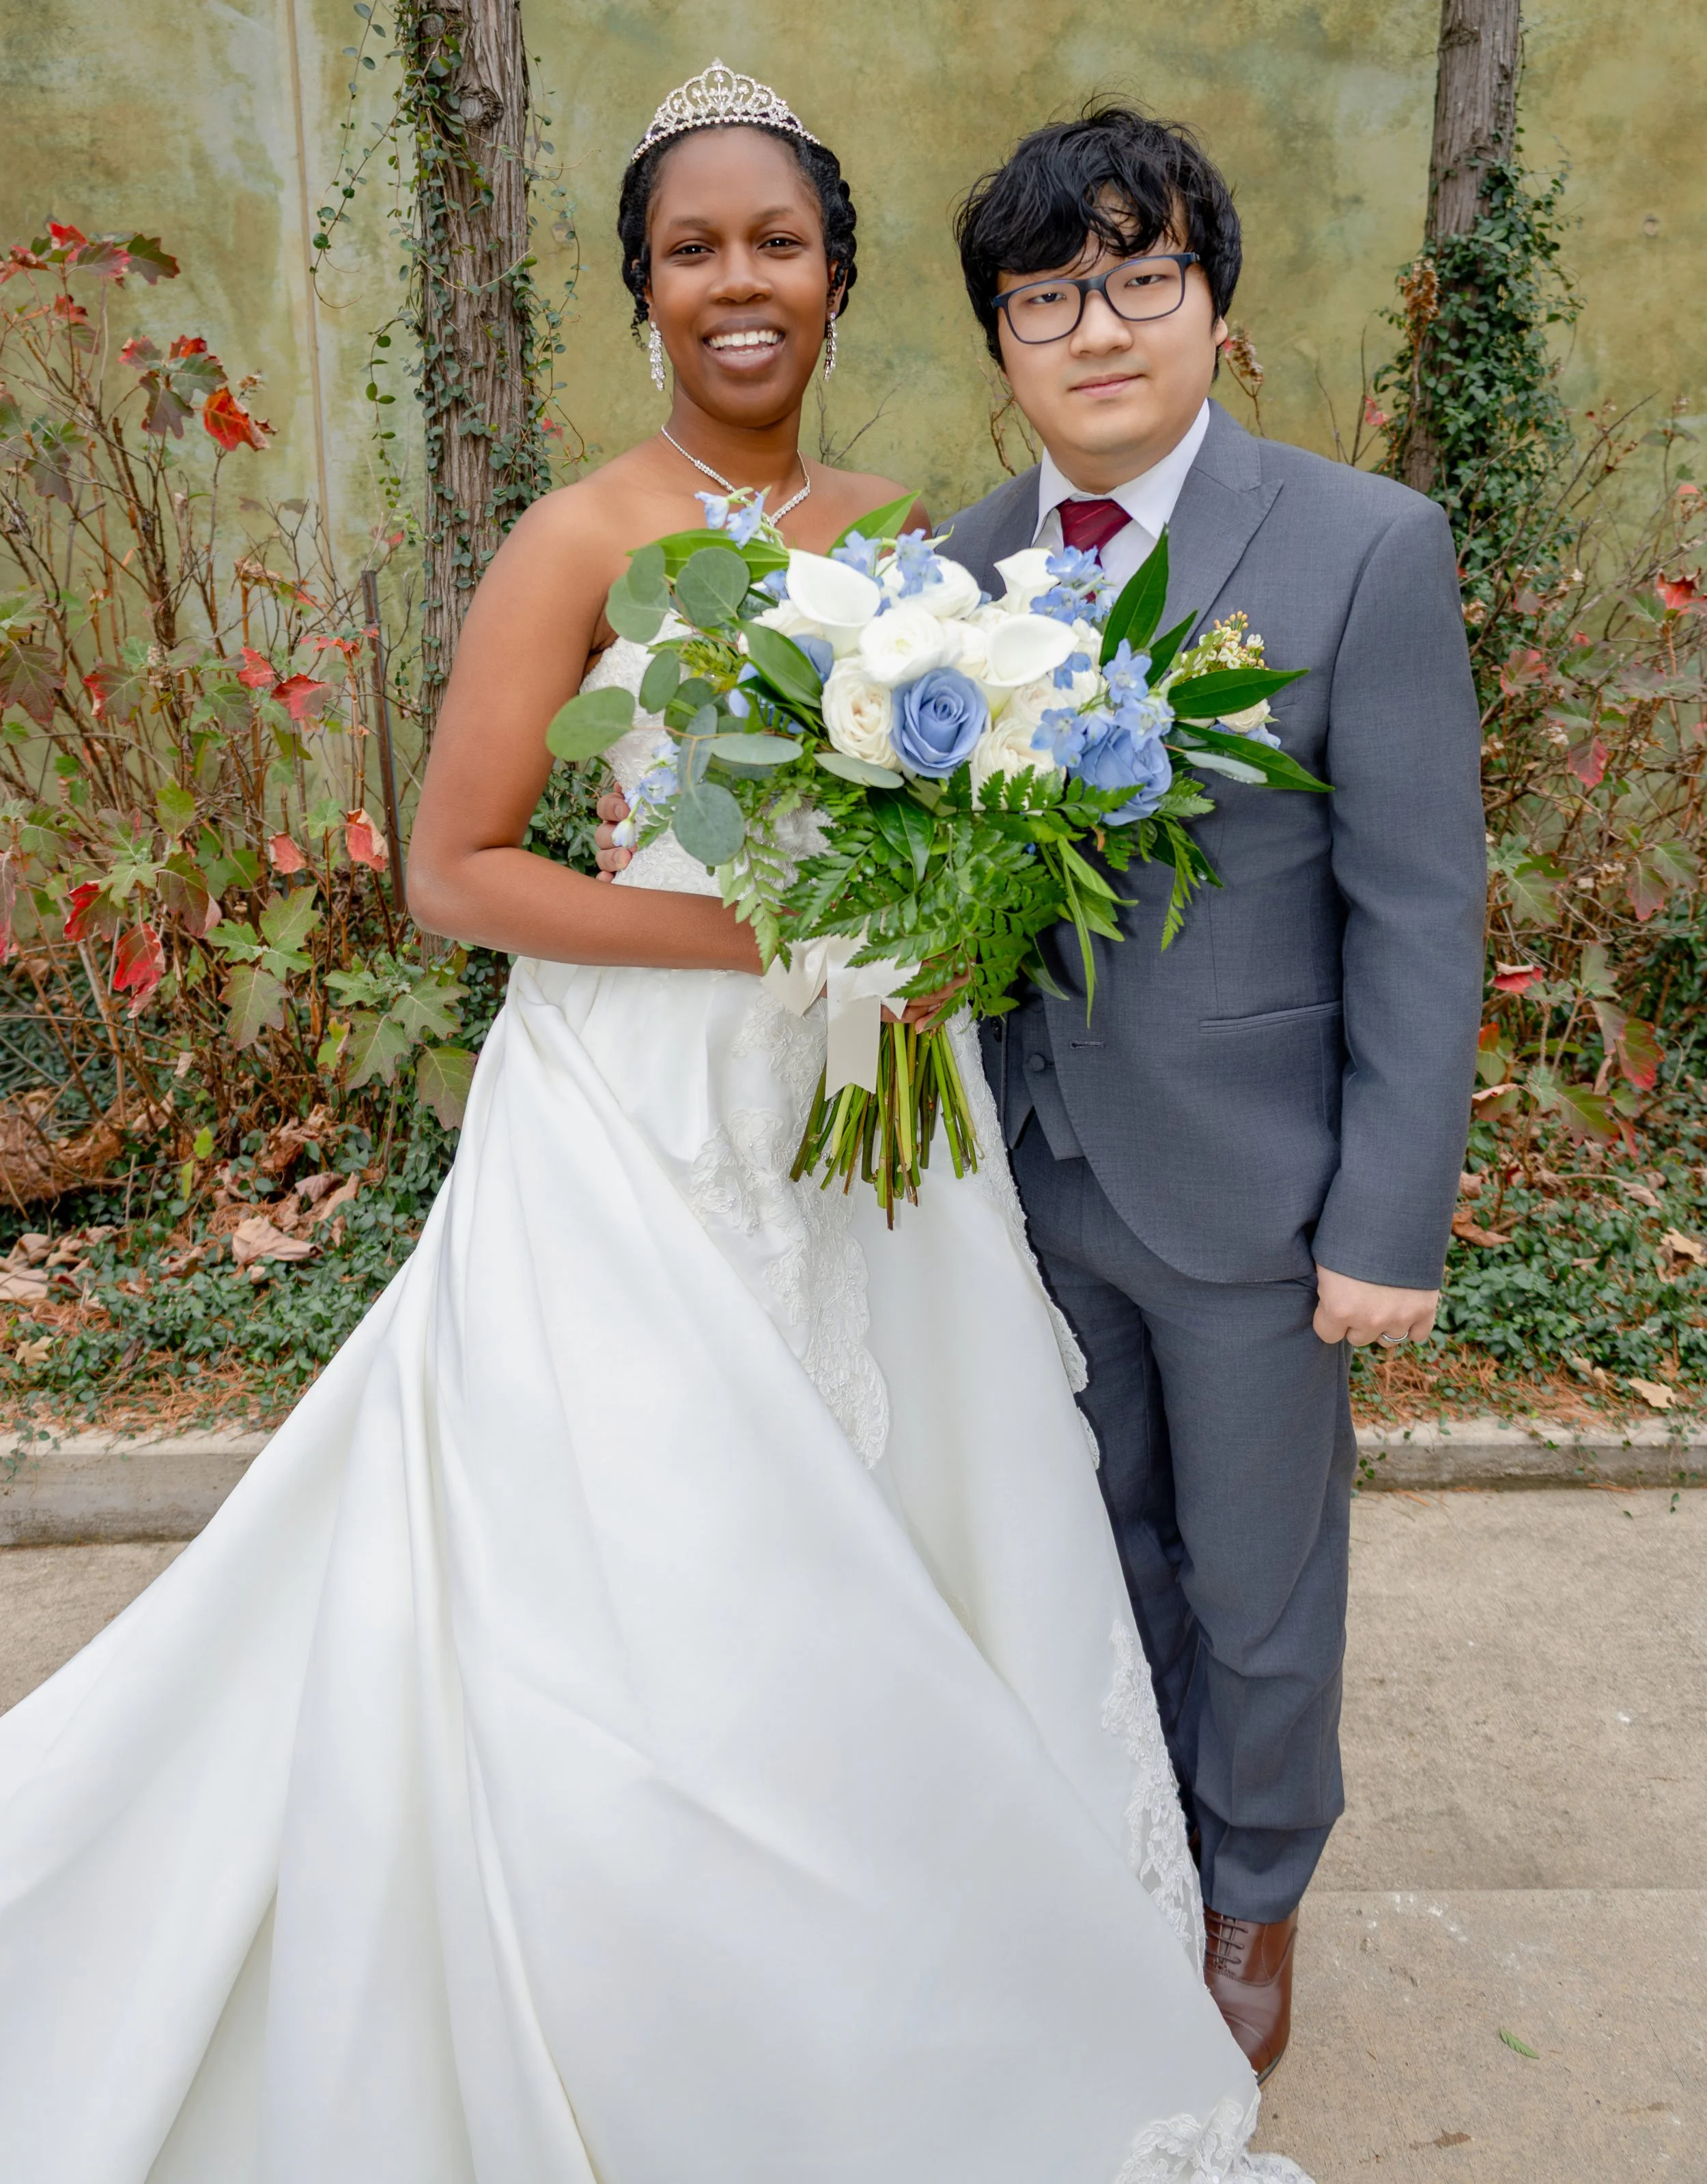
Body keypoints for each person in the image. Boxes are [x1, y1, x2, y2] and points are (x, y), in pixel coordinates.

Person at [0, 66, 1310, 2184]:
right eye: (692, 248)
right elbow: (454, 869)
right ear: (640, 292)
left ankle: (903, 1951)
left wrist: (937, 919)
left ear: (836, 278)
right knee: (664, 1550)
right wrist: (759, 936)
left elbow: (960, 815)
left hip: (870, 1115)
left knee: (905, 1508)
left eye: (773, 244)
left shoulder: (911, 534)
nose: (737, 282)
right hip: (627, 1122)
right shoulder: (582, 535)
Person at [602, 99, 1486, 2086]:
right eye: (1046, 295)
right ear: (1000, 341)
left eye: (1139, 277)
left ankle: (1255, 1889)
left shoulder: (1360, 549)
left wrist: (1385, 1223)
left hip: (1255, 1189)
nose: (1099, 326)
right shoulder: (949, 566)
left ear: (1211, 304)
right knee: (1100, 1548)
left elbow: (1422, 911)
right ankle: (1140, 1855)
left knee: (1261, 1571)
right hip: (1013, 1176)